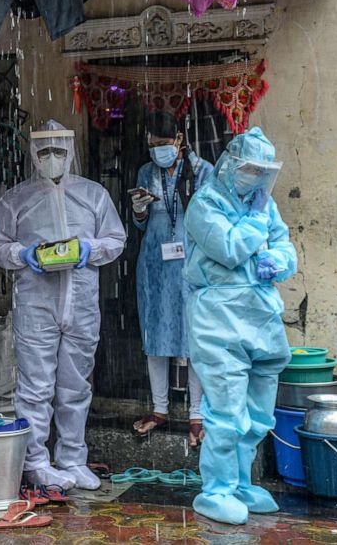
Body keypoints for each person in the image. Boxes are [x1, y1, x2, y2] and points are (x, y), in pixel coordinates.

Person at [0, 119, 125, 491]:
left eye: (59, 150)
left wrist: (88, 249)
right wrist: (23, 253)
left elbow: (116, 239)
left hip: (80, 303)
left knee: (75, 385)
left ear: (70, 150)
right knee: (35, 387)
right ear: (34, 153)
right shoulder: (15, 198)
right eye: (45, 151)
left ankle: (72, 458)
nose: (52, 158)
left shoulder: (94, 194)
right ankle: (35, 461)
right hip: (36, 304)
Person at [184, 127, 296, 525]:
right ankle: (216, 490)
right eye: (251, 168)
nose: (257, 176)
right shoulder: (204, 203)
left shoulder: (264, 203)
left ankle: (242, 481)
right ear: (231, 164)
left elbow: (284, 245)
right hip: (219, 316)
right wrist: (254, 224)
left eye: (264, 170)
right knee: (227, 410)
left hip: (261, 314)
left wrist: (280, 262)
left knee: (258, 411)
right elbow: (229, 249)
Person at [130, 113, 212, 447]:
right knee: (155, 333)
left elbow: (210, 217)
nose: (157, 151)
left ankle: (197, 414)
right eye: (152, 146)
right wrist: (139, 210)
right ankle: (159, 408)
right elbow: (139, 225)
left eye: (162, 144)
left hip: (191, 262)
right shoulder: (146, 173)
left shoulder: (201, 170)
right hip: (154, 263)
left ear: (178, 139)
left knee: (193, 337)